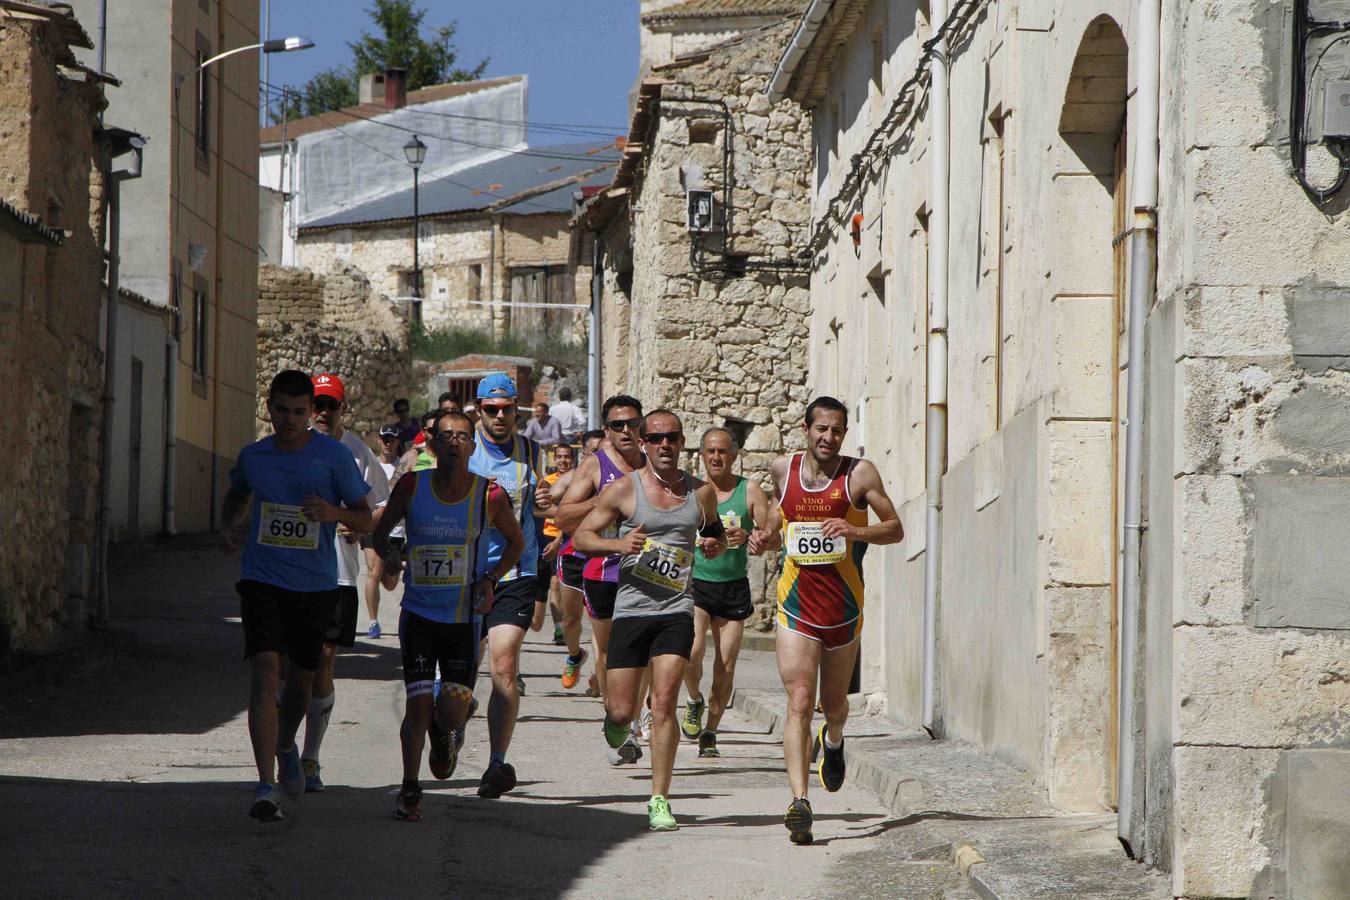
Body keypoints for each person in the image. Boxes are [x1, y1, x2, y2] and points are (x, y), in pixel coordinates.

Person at [219, 370, 373, 821]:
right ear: (270, 407)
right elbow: (237, 494)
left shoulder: (333, 457)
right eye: (282, 411)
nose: (291, 420)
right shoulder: (254, 456)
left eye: (300, 412)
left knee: (300, 683)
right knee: (265, 672)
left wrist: (333, 512)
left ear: (311, 413)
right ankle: (264, 784)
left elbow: (365, 519)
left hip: (314, 585)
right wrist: (230, 526)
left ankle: (288, 744)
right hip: (262, 578)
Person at [573, 409, 726, 832]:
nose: (665, 445)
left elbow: (716, 534)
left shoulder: (701, 493)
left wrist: (713, 546)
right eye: (656, 438)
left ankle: (659, 798)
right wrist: (618, 544)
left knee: (663, 703)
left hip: (676, 609)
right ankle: (615, 725)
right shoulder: (624, 491)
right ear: (643, 443)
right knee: (622, 711)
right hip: (632, 609)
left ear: (681, 442)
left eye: (672, 437)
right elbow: (581, 537)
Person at [759, 396, 903, 845]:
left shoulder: (859, 474)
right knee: (799, 699)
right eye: (821, 429)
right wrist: (763, 538)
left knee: (833, 705)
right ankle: (800, 802)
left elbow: (895, 528)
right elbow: (776, 522)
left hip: (843, 609)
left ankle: (835, 740)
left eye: (837, 431)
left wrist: (854, 530)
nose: (828, 438)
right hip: (796, 607)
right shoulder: (783, 470)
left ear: (845, 433)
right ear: (806, 428)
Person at [373, 410, 524, 822]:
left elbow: (516, 541)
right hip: (419, 616)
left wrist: (491, 578)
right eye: (446, 436)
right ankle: (409, 788)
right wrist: (389, 554)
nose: (454, 442)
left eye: (462, 436)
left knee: (450, 713)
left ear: (472, 447)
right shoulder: (411, 486)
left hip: (463, 621)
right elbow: (380, 531)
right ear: (432, 444)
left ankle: (446, 733)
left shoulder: (488, 495)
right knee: (417, 705)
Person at [302, 373, 390, 791]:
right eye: (316, 404)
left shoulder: (357, 453)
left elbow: (382, 505)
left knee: (324, 657)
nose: (322, 412)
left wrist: (358, 526)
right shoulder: (291, 446)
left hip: (339, 570)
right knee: (288, 663)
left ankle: (310, 756)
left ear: (342, 410)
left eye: (330, 406)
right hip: (292, 568)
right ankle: (285, 743)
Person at [467, 373, 547, 799]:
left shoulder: (532, 452)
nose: (500, 417)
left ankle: (496, 764)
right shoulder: (465, 451)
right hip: (464, 575)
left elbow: (541, 509)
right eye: (491, 409)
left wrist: (551, 505)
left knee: (504, 665)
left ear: (518, 410)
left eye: (507, 409)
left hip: (517, 571)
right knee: (459, 676)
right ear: (478, 411)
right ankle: (455, 717)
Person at [554, 397, 646, 764]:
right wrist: (606, 503)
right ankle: (617, 719)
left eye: (633, 423)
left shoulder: (656, 461)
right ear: (606, 430)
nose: (627, 430)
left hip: (646, 572)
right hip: (603, 571)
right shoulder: (596, 465)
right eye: (618, 425)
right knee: (610, 654)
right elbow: (562, 518)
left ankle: (635, 722)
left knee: (647, 653)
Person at [680, 427, 772, 759]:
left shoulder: (749, 491)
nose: (716, 457)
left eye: (723, 452)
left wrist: (753, 536)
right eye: (710, 452)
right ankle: (693, 699)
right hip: (697, 584)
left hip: (733, 587)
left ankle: (711, 731)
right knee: (690, 652)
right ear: (701, 456)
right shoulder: (691, 490)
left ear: (733, 456)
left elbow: (770, 535)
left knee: (726, 665)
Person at [365, 424, 405, 636]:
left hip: (396, 531)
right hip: (373, 526)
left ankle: (384, 577)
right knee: (374, 571)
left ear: (398, 442)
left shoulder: (405, 466)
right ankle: (373, 622)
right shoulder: (371, 465)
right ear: (379, 441)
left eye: (392, 439)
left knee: (390, 583)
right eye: (385, 439)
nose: (388, 443)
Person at [536, 443, 575, 648]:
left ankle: (560, 628)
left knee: (556, 585)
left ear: (573, 459)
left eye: (567, 457)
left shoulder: (578, 483)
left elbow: (570, 515)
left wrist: (559, 539)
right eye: (559, 457)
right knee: (545, 589)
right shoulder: (547, 483)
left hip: (562, 538)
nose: (562, 461)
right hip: (544, 537)